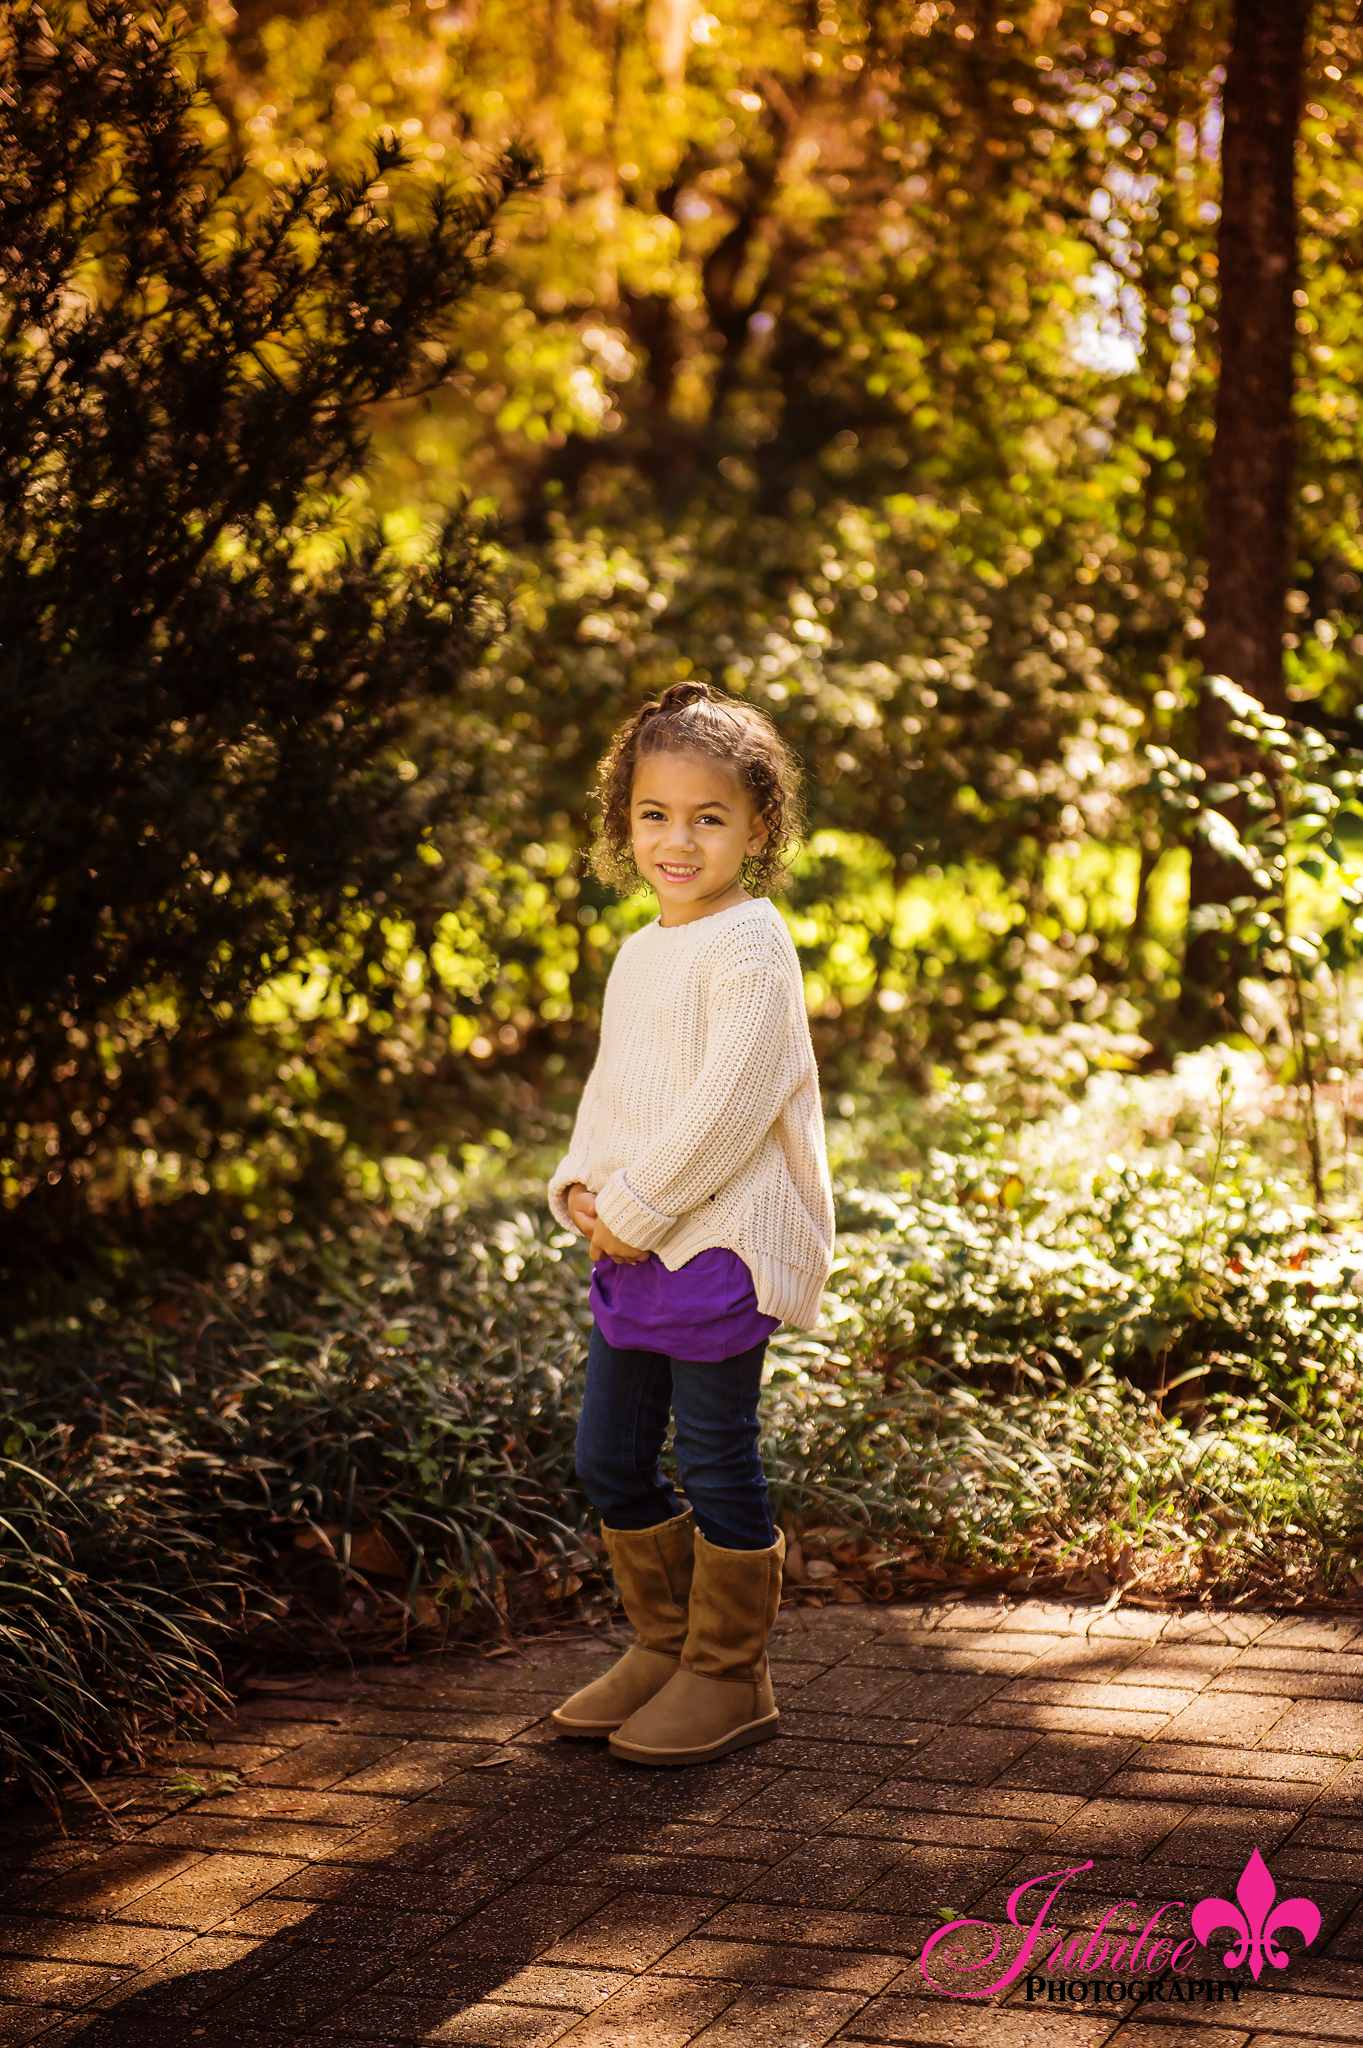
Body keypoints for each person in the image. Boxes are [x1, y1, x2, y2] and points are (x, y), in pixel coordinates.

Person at [546, 680, 834, 1766]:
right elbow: (618, 1090)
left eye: (708, 817)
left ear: (757, 827)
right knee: (609, 1456)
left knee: (715, 1460)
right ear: (624, 821)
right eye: (654, 814)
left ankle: (728, 1670)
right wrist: (581, 1184)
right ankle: (662, 1645)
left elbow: (731, 1101)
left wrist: (632, 1205)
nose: (678, 839)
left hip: (719, 1245)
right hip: (634, 1241)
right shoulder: (641, 947)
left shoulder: (751, 946)